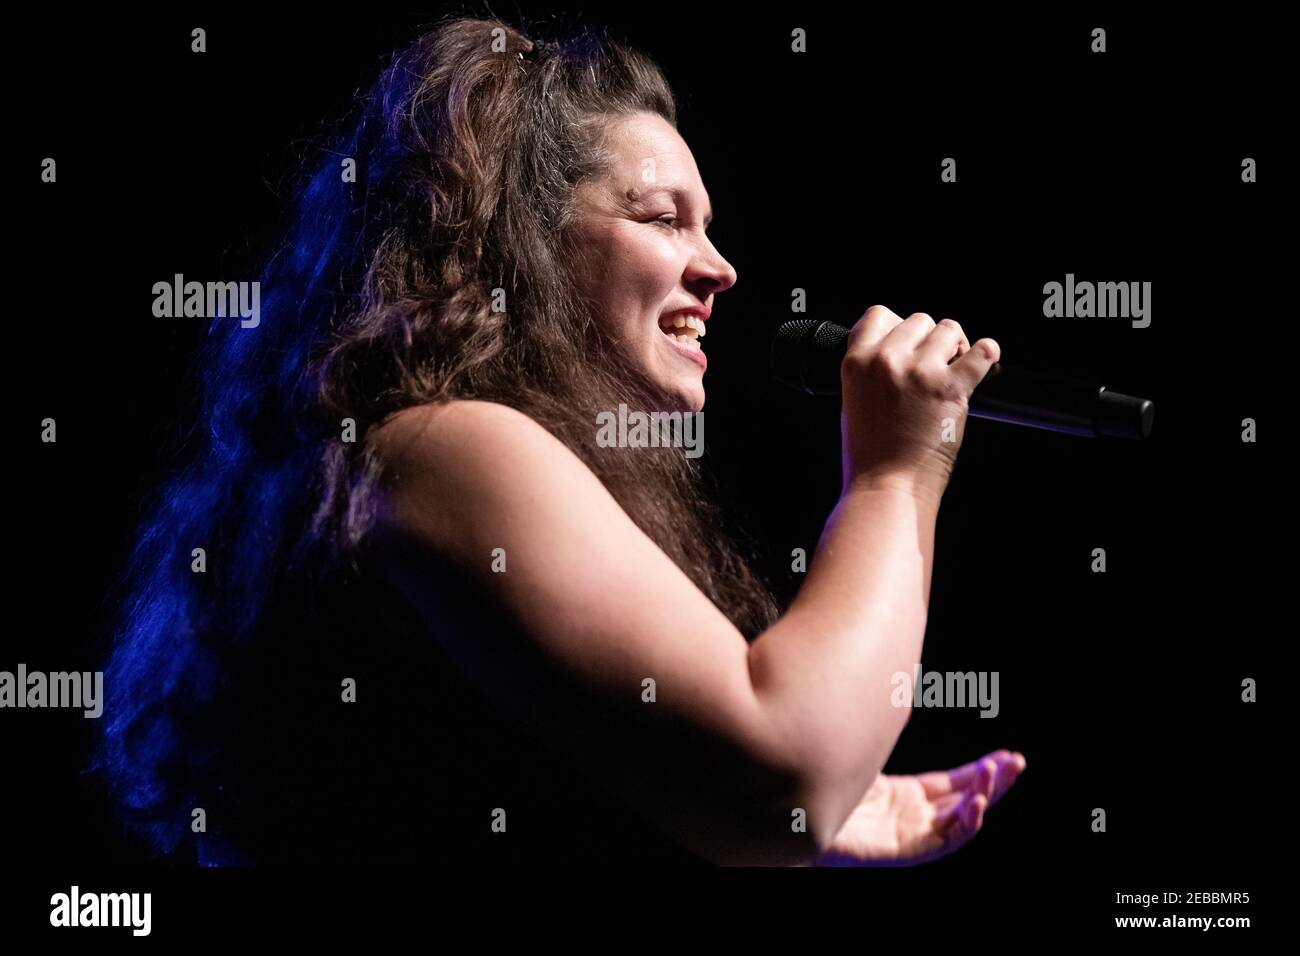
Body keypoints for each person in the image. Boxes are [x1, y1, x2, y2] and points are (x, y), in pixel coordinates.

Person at [94, 16, 1024, 867]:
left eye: (708, 226)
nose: (721, 268)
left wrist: (762, 790)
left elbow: (737, 787)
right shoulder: (446, 448)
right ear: (525, 244)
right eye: (662, 219)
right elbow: (784, 772)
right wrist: (897, 473)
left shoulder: (476, 458)